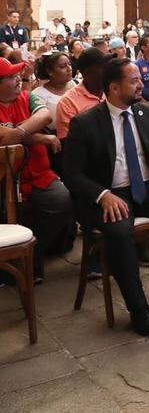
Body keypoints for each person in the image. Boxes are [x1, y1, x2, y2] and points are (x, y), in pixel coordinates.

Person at [61, 58, 149, 337]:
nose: (142, 84)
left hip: (146, 187)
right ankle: (138, 309)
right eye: (134, 81)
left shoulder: (147, 113)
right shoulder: (86, 123)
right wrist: (102, 195)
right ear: (114, 87)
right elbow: (72, 174)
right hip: (108, 193)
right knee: (119, 232)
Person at [0, 57, 74, 278]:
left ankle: (33, 253)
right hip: (4, 179)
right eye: (11, 77)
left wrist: (19, 134)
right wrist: (36, 136)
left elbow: (44, 115)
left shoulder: (28, 96)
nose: (17, 81)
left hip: (39, 173)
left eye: (17, 76)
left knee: (62, 202)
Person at [57, 46, 108, 139]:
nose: (108, 70)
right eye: (103, 67)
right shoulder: (68, 102)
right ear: (88, 72)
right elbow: (70, 143)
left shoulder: (114, 91)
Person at [34, 51, 75, 122]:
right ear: (50, 71)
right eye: (62, 66)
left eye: (69, 64)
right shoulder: (38, 95)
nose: (69, 68)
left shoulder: (76, 84)